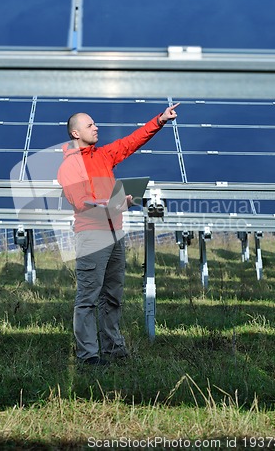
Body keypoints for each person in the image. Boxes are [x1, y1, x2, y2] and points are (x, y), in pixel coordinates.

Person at [57, 103, 180, 365]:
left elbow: (131, 142)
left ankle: (114, 349)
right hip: (92, 236)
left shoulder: (103, 155)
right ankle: (88, 355)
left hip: (115, 234)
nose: (96, 127)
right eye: (90, 125)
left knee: (113, 295)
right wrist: (115, 204)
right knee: (88, 298)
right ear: (76, 133)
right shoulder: (69, 167)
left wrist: (159, 120)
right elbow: (81, 202)